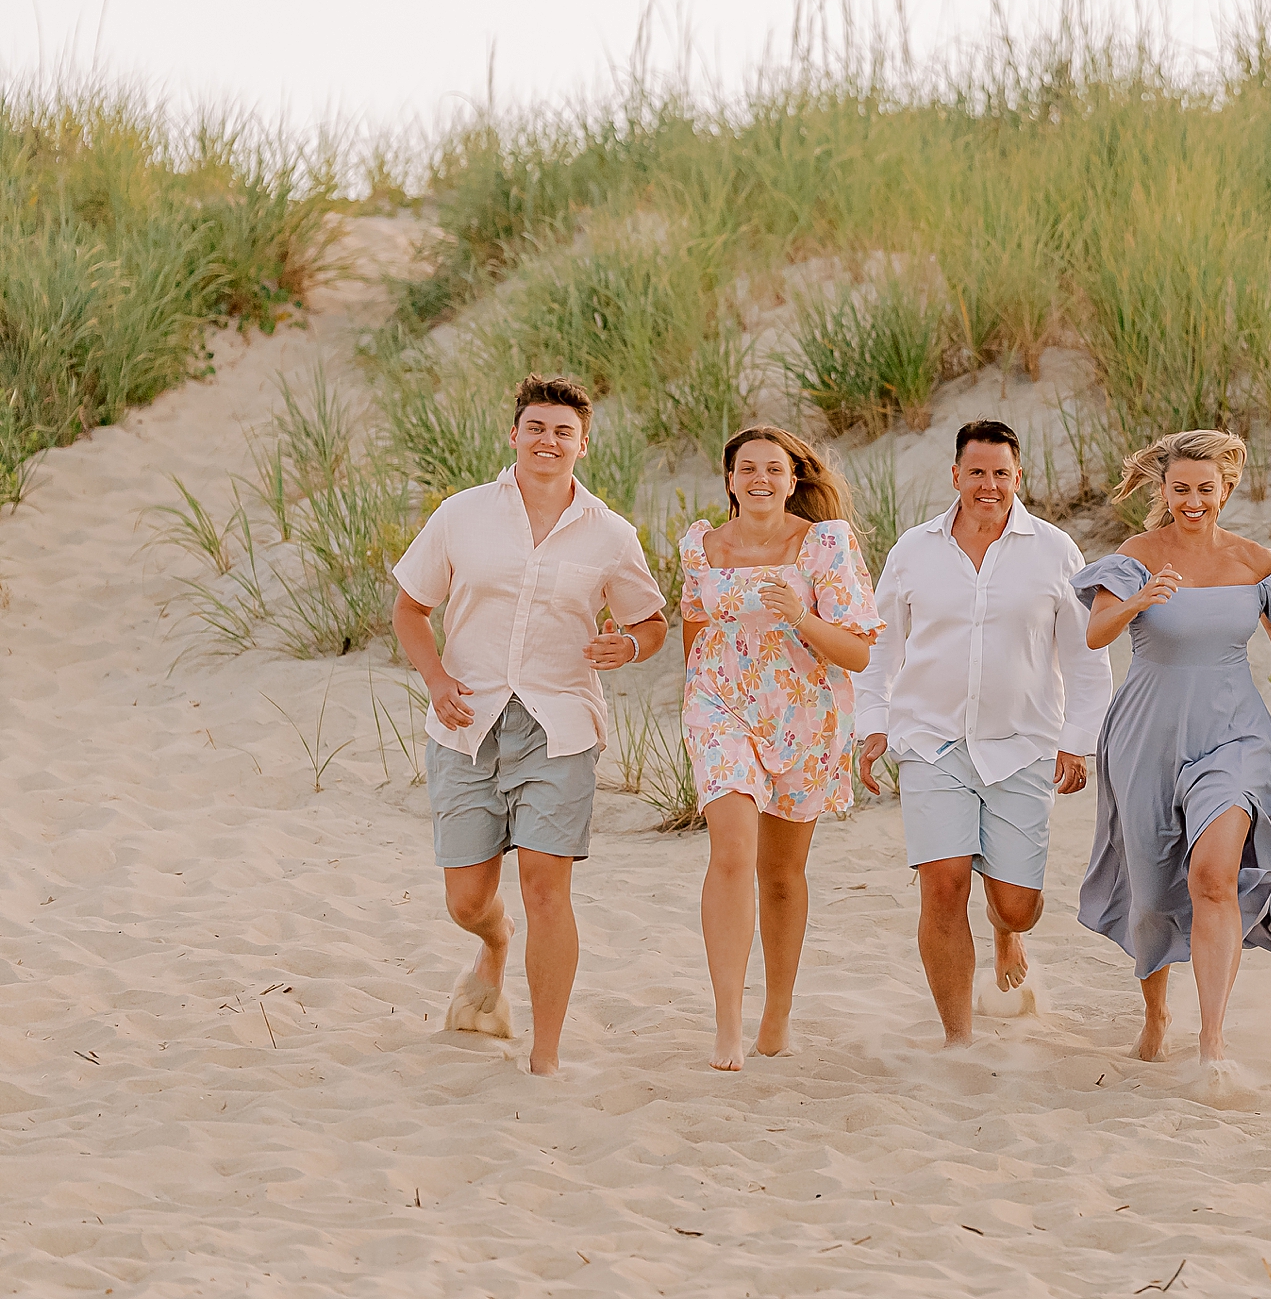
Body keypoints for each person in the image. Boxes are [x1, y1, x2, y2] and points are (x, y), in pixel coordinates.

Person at [391, 373, 669, 1077]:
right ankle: (492, 945)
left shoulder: (609, 534)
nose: (549, 441)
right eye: (537, 428)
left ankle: (544, 1054)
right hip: (466, 723)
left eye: (563, 432)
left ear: (583, 444)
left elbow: (651, 621)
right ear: (514, 435)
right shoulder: (462, 515)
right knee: (466, 901)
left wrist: (630, 646)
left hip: (561, 726)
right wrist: (436, 680)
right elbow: (410, 609)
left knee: (546, 885)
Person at [854, 420, 1113, 1047]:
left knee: (1017, 902)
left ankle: (1008, 931)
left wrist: (1077, 739)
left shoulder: (1055, 551)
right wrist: (874, 725)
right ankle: (958, 1039)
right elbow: (879, 643)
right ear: (955, 476)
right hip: (930, 740)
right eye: (976, 472)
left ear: (1018, 478)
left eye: (1001, 473)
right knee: (942, 887)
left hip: (1021, 743)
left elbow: (1084, 657)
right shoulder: (913, 550)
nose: (988, 485)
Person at [1072, 429, 1271, 1067]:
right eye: (1181, 488)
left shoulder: (1255, 563)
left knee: (1212, 877)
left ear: (1226, 490)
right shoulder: (1137, 554)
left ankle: (1212, 1044)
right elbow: (1096, 632)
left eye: (1206, 489)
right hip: (1148, 734)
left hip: (1234, 736)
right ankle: (1156, 1014)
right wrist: (1139, 602)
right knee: (1151, 893)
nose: (1193, 500)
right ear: (1165, 489)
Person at [679, 425, 882, 1071]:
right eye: (748, 469)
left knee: (782, 875)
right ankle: (727, 1024)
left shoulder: (825, 544)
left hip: (804, 715)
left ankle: (778, 1011)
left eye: (775, 469)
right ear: (731, 480)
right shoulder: (702, 547)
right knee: (734, 849)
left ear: (794, 479)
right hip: (721, 708)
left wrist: (800, 614)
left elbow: (857, 651)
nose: (761, 479)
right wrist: (701, 703)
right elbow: (693, 626)